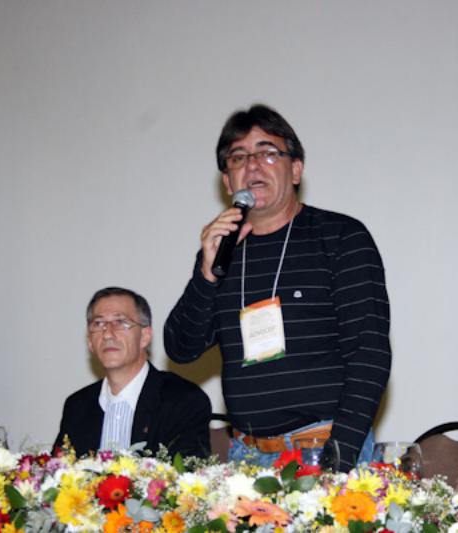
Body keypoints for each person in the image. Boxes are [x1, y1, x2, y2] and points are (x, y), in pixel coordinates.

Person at [164, 104, 391, 472]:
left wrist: (338, 456)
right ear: (228, 182)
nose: (253, 165)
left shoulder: (341, 237)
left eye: (268, 152)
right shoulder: (221, 253)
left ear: (296, 169)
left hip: (324, 448)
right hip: (246, 457)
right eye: (238, 157)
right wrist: (205, 275)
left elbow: (370, 354)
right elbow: (181, 348)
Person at [55, 287, 211, 458]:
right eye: (98, 324)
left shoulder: (183, 400)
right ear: (90, 342)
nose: (107, 334)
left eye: (120, 322)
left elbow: (185, 472)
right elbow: (58, 470)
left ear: (145, 336)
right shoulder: (77, 406)